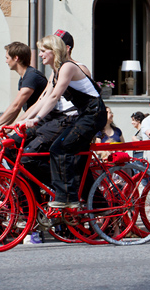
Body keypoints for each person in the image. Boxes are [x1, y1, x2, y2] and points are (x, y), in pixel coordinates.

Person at [23, 35, 106, 209]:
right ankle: (98, 205)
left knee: (59, 148)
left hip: (94, 114)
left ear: (54, 52)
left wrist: (37, 120)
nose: (40, 55)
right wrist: (26, 120)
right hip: (85, 115)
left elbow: (54, 97)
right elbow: (45, 99)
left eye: (43, 51)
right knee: (77, 162)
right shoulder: (56, 71)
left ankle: (68, 197)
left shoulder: (68, 67)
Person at [0, 42, 47, 131]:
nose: (6, 61)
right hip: (34, 122)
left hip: (43, 122)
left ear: (16, 58)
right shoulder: (24, 78)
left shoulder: (31, 76)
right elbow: (16, 109)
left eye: (7, 58)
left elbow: (16, 105)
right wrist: (4, 129)